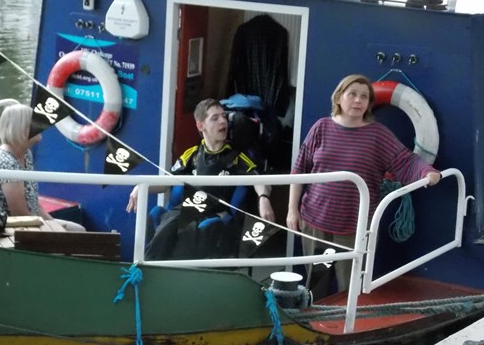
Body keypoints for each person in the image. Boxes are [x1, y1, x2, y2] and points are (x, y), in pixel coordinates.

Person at [286, 74, 441, 294]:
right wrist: (292, 210)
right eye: (352, 94)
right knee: (316, 281)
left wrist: (427, 172)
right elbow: (299, 168)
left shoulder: (378, 135)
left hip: (354, 227)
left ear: (369, 103)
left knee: (349, 289)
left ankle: (345, 325)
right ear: (339, 98)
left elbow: (405, 161)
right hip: (315, 221)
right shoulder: (321, 128)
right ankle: (314, 321)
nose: (358, 100)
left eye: (364, 96)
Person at [127, 98, 275, 260]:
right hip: (186, 209)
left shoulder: (237, 157)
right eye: (215, 118)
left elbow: (258, 180)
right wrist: (141, 187)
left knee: (184, 229)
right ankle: (147, 267)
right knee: (170, 222)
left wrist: (263, 198)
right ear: (200, 125)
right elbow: (165, 183)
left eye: (223, 116)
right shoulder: (192, 154)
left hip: (213, 214)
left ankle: (152, 268)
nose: (222, 121)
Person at [0, 104, 85, 231]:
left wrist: (54, 225)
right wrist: (54, 229)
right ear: (20, 128)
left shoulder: (25, 154)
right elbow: (19, 213)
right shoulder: (5, 163)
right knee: (74, 236)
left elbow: (34, 204)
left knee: (78, 230)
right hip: (7, 228)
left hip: (29, 221)